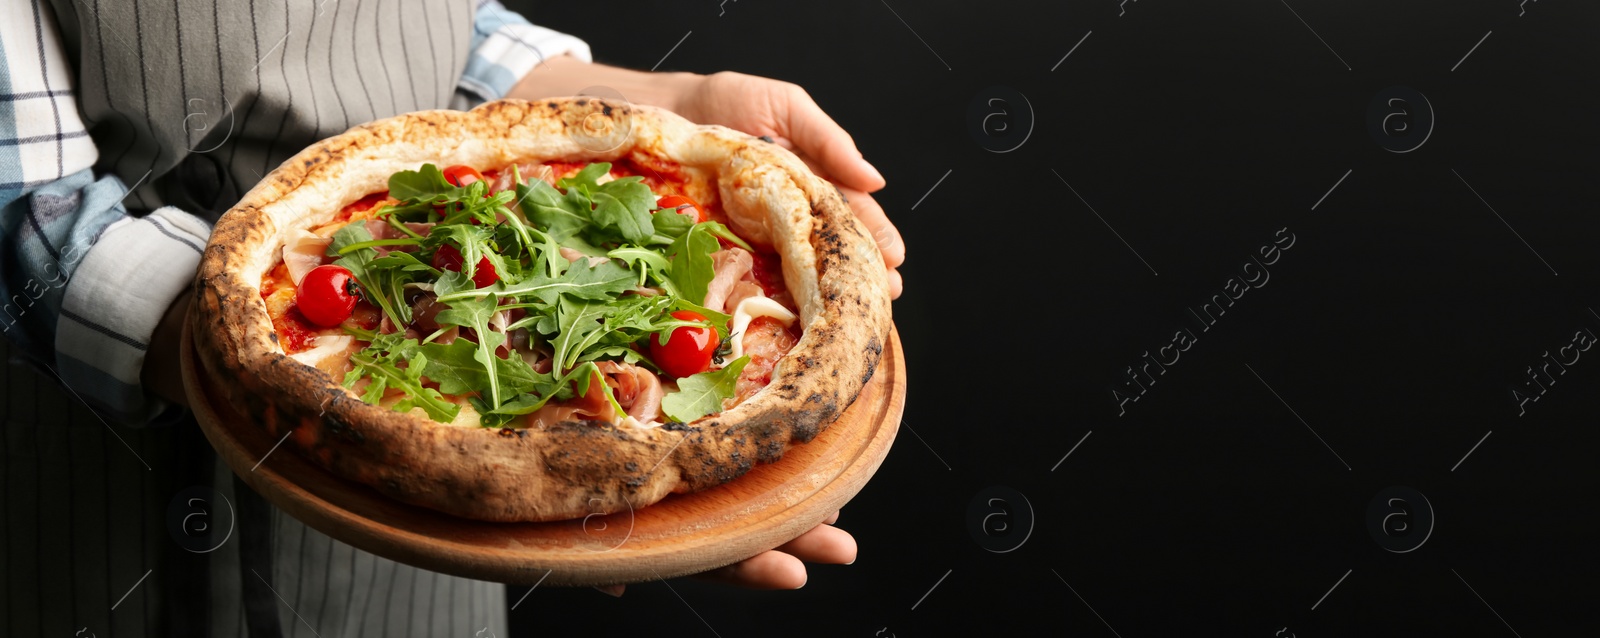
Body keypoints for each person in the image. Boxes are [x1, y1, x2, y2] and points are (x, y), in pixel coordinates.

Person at [0, 0, 904, 635]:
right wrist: (244, 346)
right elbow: (20, 206)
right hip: (100, 503)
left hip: (428, 581)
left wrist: (617, 95)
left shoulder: (731, 254)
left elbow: (412, 23)